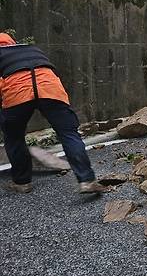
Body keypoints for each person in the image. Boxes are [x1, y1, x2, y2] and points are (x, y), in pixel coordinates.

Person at [0, 33, 105, 194]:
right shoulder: (31, 49)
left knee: (13, 137)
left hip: (17, 92)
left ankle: (22, 183)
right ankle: (87, 180)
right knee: (69, 133)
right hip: (50, 88)